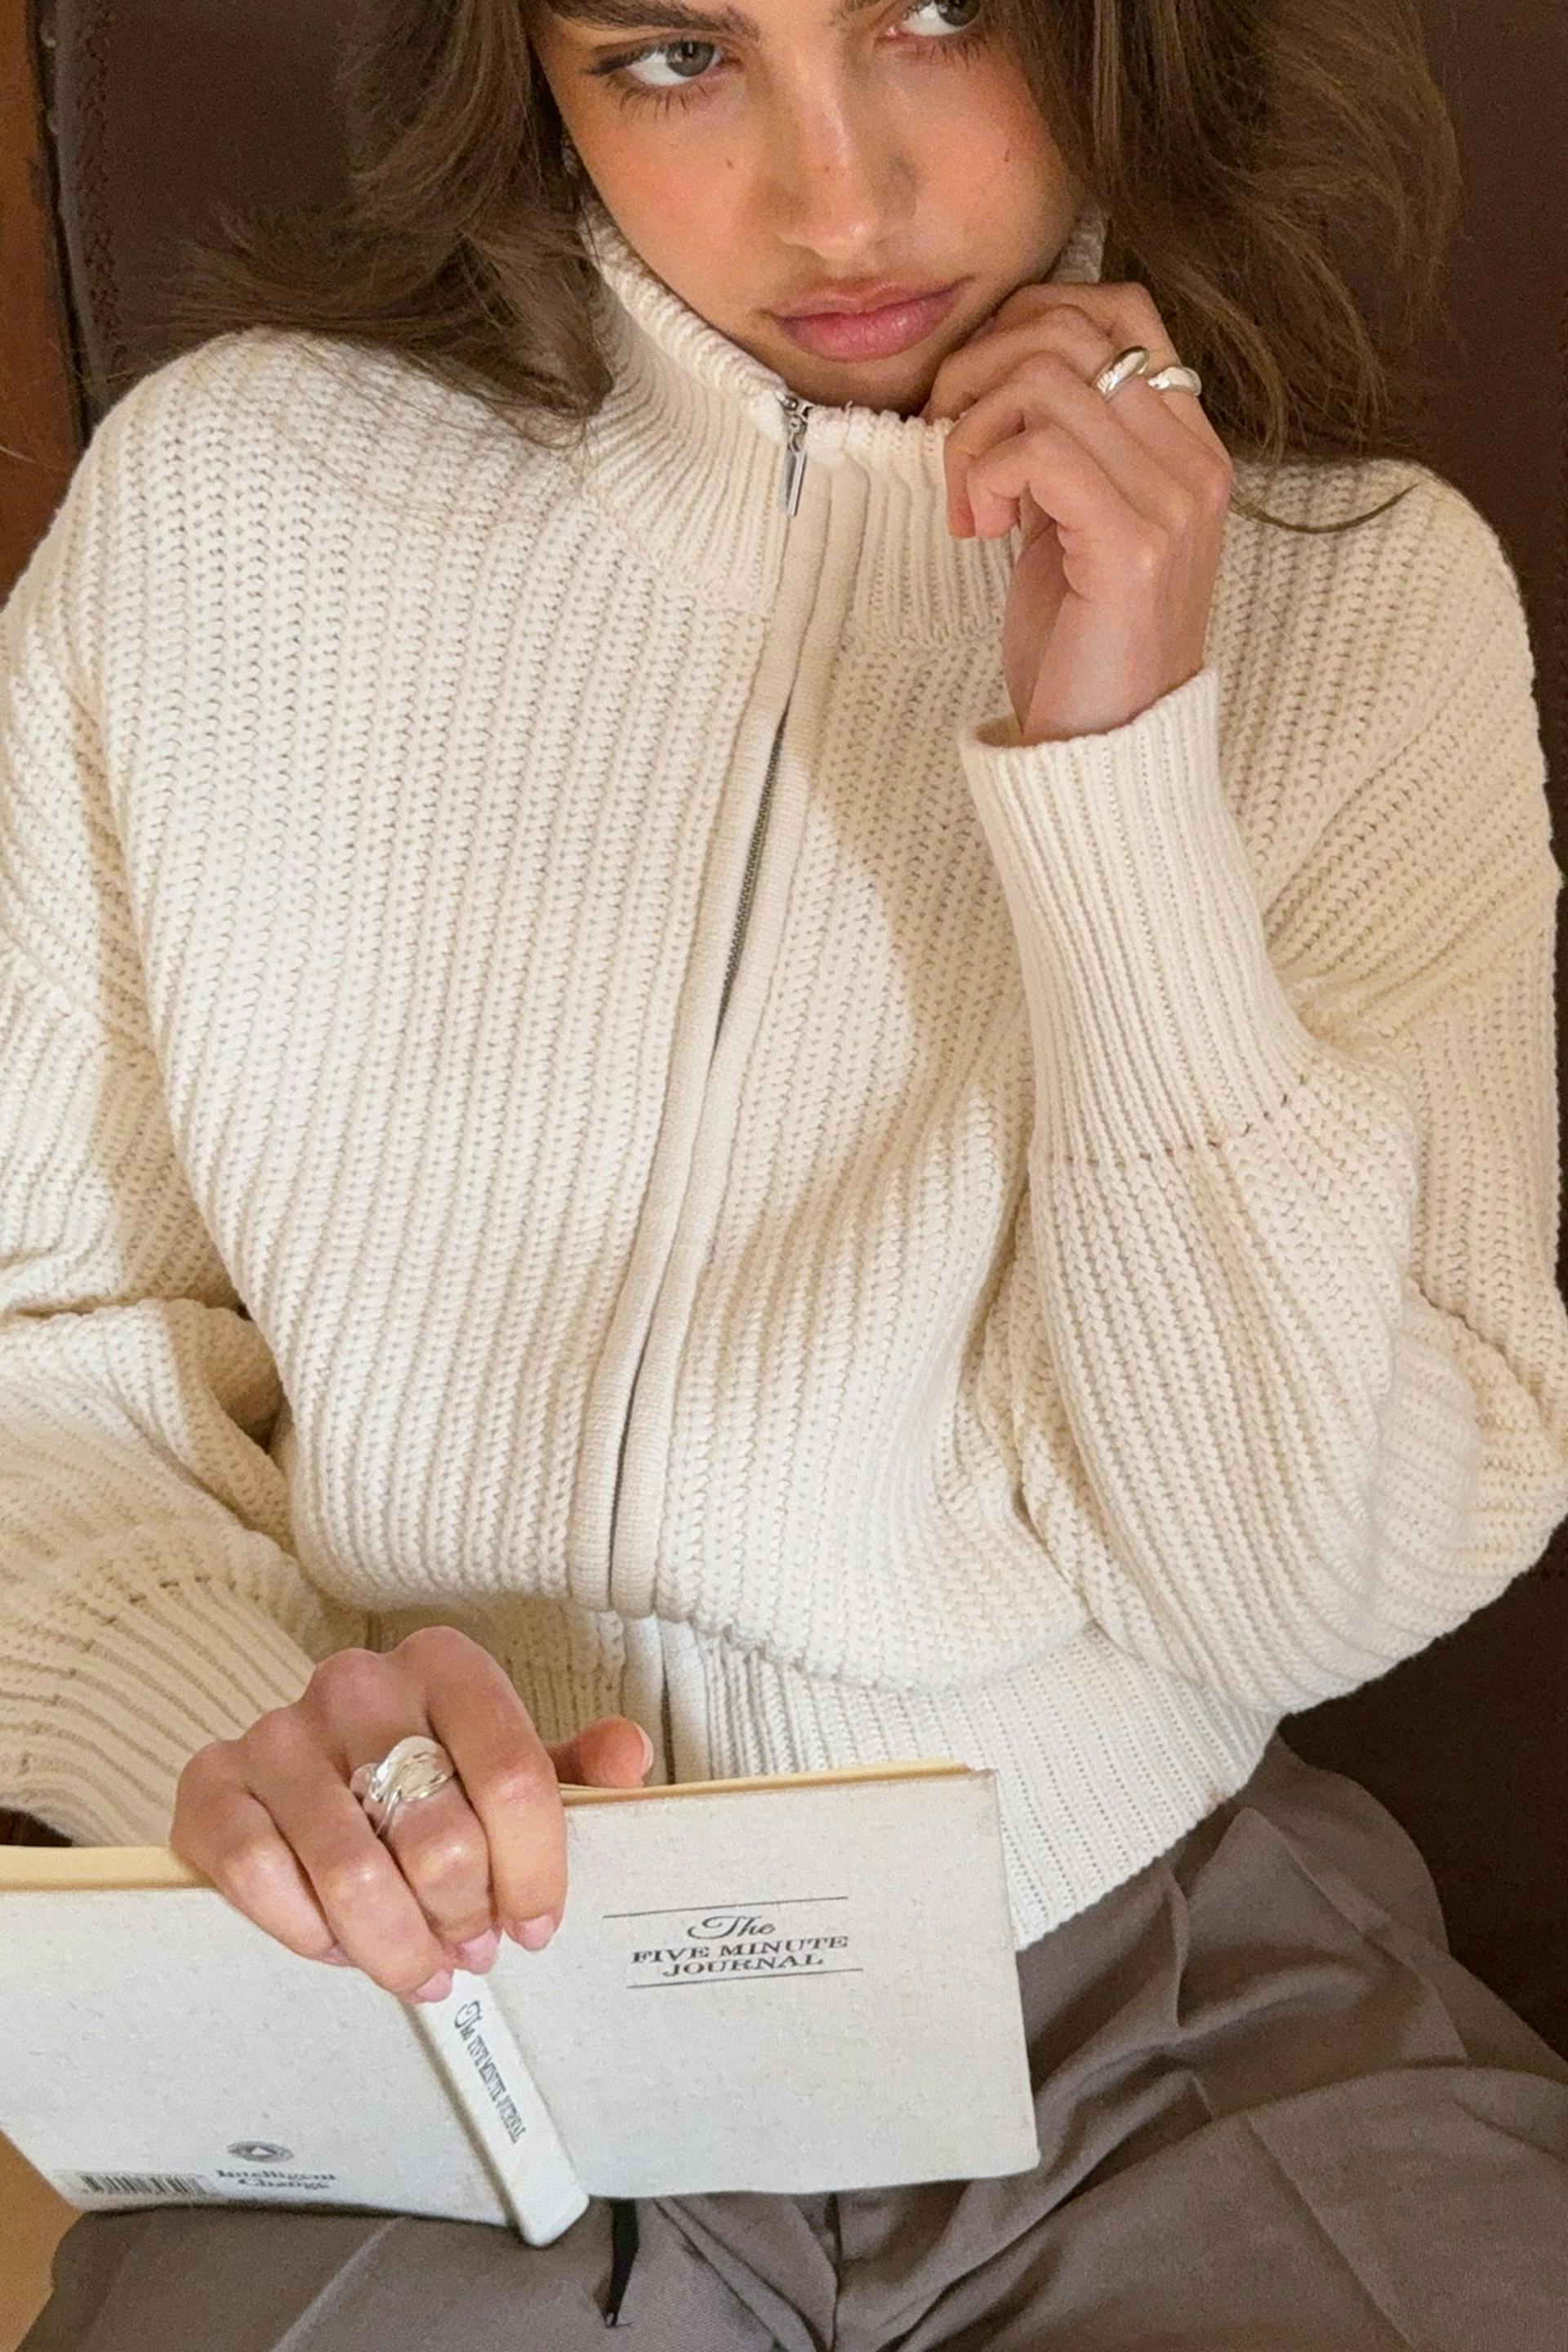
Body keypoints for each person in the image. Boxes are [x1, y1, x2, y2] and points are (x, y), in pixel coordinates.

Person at [6, 0, 1568, 2341]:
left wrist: (1125, 761)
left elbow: (1294, 1584)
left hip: (1152, 1992)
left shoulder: (1370, 608)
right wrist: (234, 1744)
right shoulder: (226, 507)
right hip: (416, 1984)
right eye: (674, 52)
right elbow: (38, 1333)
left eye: (937, 13)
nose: (841, 203)